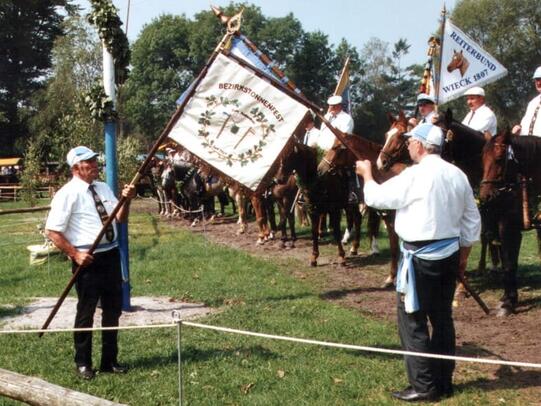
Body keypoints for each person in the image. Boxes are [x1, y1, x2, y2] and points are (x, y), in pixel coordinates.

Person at [355, 123, 481, 402]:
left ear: (422, 145)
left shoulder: (415, 175)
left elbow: (377, 198)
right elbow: (472, 222)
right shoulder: (458, 175)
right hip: (448, 256)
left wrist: (366, 175)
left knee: (412, 320)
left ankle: (424, 386)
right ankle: (443, 382)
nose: (409, 145)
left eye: (412, 141)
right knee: (442, 319)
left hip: (419, 258)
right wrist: (462, 258)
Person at [45, 146, 136, 380]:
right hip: (88, 260)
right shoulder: (67, 194)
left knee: (112, 311)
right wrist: (75, 254)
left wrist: (126, 200)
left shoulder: (103, 187)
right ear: (76, 168)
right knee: (86, 312)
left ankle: (109, 361)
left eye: (95, 161)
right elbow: (53, 231)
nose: (95, 165)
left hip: (111, 255)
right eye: (89, 162)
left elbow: (120, 218)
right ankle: (83, 363)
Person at [512, 66, 541, 136]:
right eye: (537, 79)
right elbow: (525, 123)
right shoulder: (532, 103)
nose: (538, 83)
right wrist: (519, 129)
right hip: (529, 144)